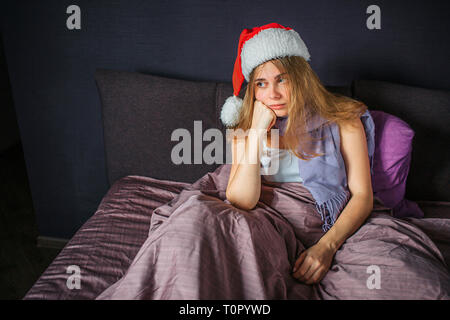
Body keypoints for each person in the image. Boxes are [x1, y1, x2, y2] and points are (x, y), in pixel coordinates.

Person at [222, 22, 375, 285]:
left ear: (300, 77)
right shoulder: (245, 126)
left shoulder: (343, 119)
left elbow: (362, 195)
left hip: (324, 226)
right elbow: (242, 201)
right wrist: (258, 131)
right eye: (261, 84)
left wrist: (326, 247)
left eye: (282, 79)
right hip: (265, 221)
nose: (273, 94)